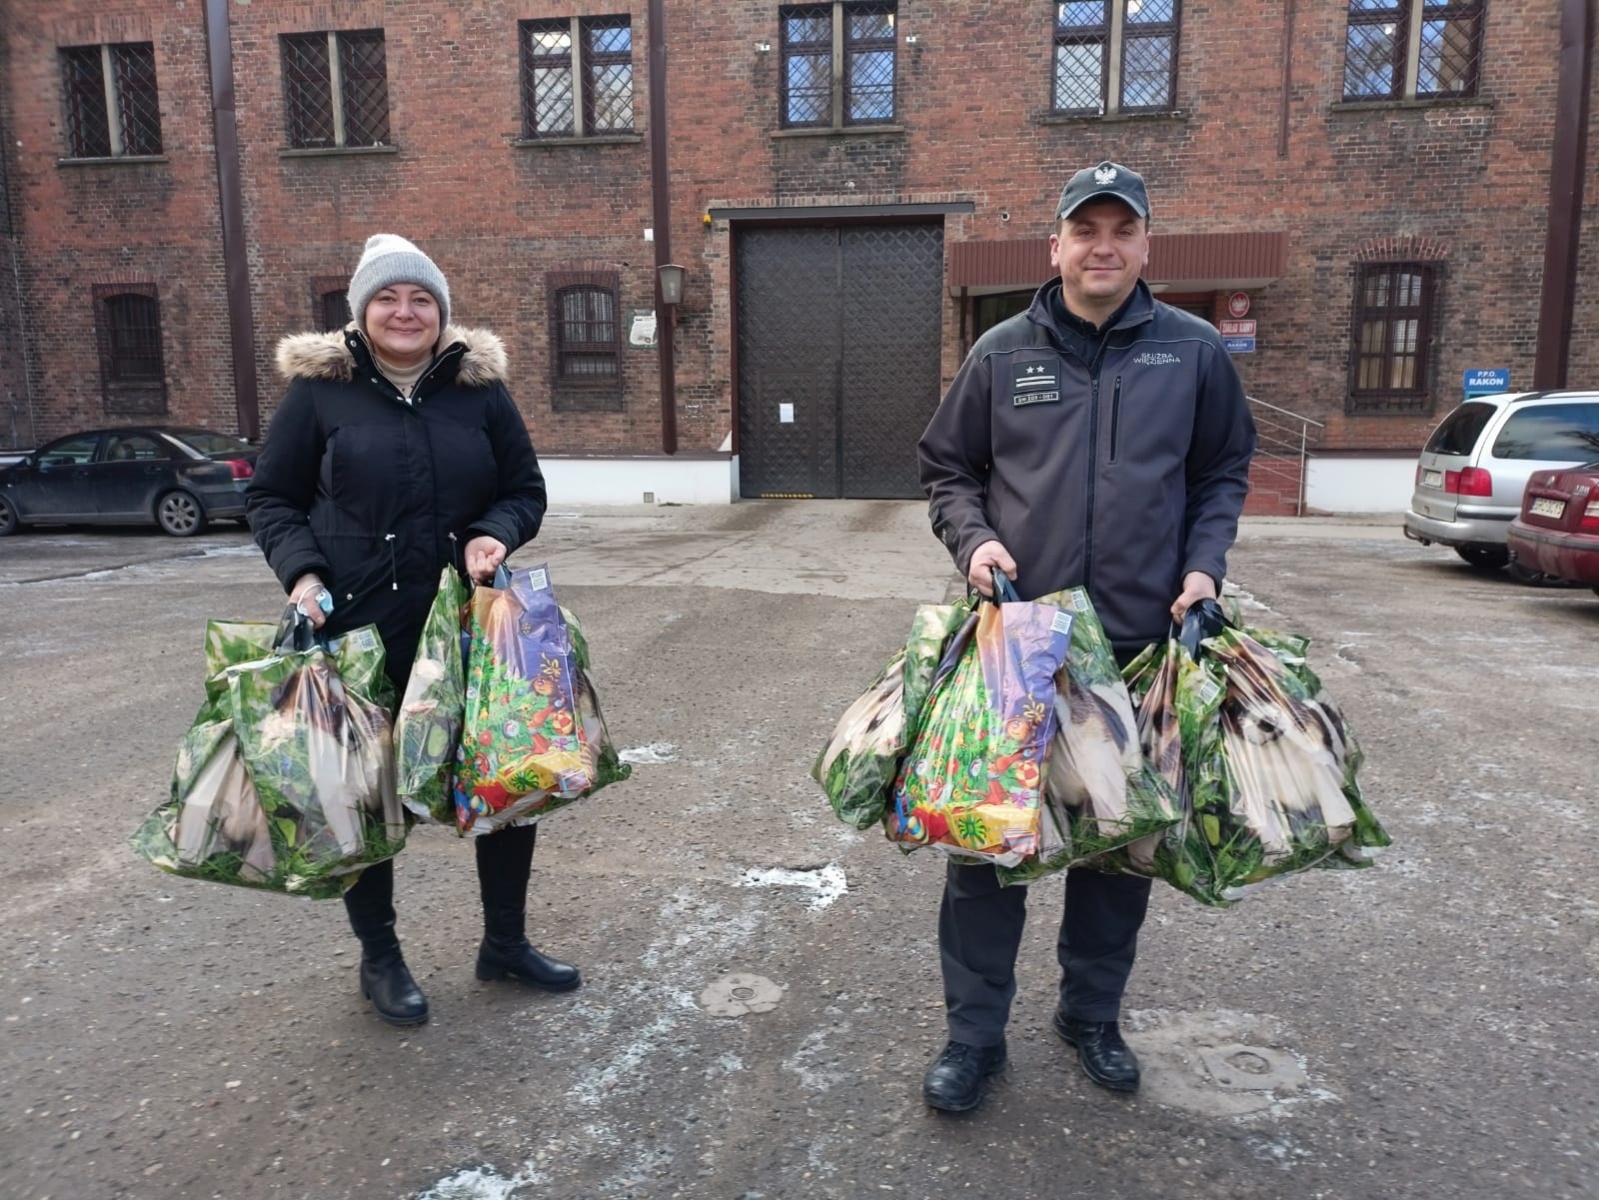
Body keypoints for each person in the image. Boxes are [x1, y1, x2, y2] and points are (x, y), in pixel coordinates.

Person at [916, 161, 1257, 1111]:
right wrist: (976, 543)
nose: (1102, 246)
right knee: (989, 849)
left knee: (1115, 849)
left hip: (1142, 642)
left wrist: (1204, 567)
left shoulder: (1190, 354)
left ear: (1145, 245)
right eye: (1085, 229)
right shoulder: (1000, 352)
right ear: (1054, 245)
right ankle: (973, 1036)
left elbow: (1220, 473)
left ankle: (1090, 1015)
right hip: (1020, 647)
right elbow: (947, 470)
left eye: (1121, 229)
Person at [246, 233, 579, 1027]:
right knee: (367, 797)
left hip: (468, 626)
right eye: (389, 298)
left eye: (421, 298)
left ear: (441, 312)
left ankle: (504, 943)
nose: (406, 312)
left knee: (508, 779)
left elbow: (524, 488)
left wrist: (497, 530)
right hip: (358, 629)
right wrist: (303, 572)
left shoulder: (479, 392)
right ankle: (381, 960)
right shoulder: (319, 395)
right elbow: (271, 499)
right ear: (361, 313)